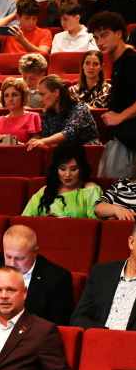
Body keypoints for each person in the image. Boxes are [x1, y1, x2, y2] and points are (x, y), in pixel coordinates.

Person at [0, 225, 73, 325]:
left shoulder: (57, 277)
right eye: (8, 256)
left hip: (29, 338)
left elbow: (58, 323)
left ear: (34, 252)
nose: (12, 263)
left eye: (19, 258)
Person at [89, 12, 136, 178]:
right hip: (120, 136)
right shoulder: (119, 62)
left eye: (104, 35)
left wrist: (120, 116)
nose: (100, 42)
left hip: (128, 139)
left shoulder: (130, 61)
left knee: (119, 188)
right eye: (96, 38)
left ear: (119, 33)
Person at [73, 220, 136, 329]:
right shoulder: (100, 272)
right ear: (132, 243)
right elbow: (78, 318)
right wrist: (104, 334)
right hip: (98, 338)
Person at [23, 141, 101, 218]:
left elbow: (95, 222)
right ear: (56, 169)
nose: (67, 174)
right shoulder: (45, 191)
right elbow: (25, 220)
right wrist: (45, 221)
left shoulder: (90, 189)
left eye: (73, 169)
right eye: (62, 169)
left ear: (81, 169)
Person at [27, 75, 100, 150]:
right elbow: (48, 139)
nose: (40, 100)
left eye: (43, 94)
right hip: (61, 153)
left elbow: (68, 133)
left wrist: (41, 141)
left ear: (56, 93)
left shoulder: (80, 109)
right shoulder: (46, 113)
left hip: (87, 152)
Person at [0, 78, 42, 145]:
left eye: (15, 95)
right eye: (6, 95)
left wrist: (13, 142)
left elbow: (36, 145)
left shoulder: (33, 117)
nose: (10, 99)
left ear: (23, 97)